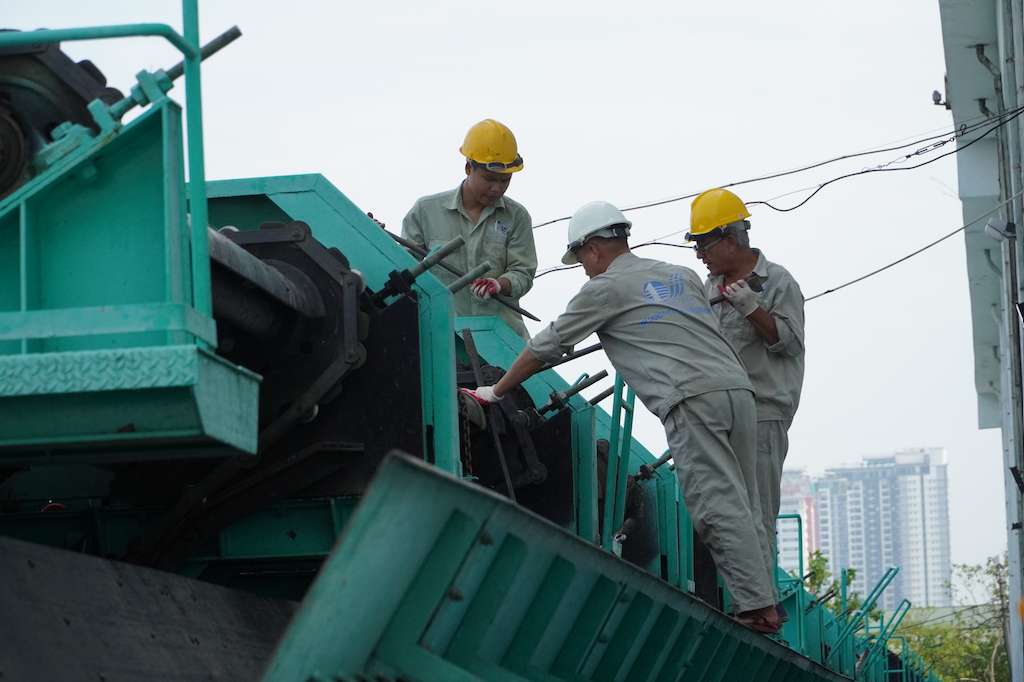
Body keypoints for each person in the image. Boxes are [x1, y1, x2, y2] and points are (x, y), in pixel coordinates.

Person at [464, 200, 781, 633]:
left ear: (593, 248)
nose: (583, 268)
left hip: (691, 400)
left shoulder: (605, 289)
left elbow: (545, 346)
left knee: (714, 503)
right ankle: (767, 603)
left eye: (580, 259)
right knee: (747, 501)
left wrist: (494, 390)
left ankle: (756, 607)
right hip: (737, 392)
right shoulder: (681, 275)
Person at [687, 188, 806, 619]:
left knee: (757, 509)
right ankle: (736, 599)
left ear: (730, 239)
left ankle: (762, 606)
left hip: (763, 409)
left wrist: (753, 308)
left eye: (704, 243)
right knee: (722, 506)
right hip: (721, 410)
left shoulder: (778, 283)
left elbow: (787, 343)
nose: (700, 253)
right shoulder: (707, 288)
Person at [402, 119, 536, 339]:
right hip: (443, 338)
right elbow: (407, 270)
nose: (497, 188)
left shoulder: (516, 217)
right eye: (489, 179)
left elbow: (523, 273)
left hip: (502, 339)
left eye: (505, 180)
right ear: (468, 167)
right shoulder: (425, 212)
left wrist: (499, 284)